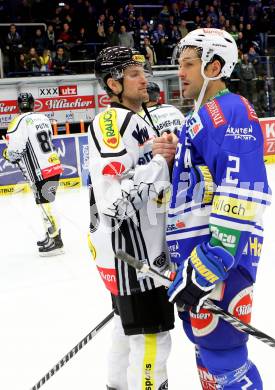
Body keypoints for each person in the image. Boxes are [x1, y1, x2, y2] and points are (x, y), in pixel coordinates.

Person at [153, 28, 271, 389]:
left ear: (214, 66)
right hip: (199, 263)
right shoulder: (202, 117)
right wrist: (175, 162)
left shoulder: (229, 111)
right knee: (209, 356)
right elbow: (202, 187)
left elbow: (243, 190)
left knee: (225, 359)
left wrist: (210, 262)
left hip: (219, 264)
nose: (181, 73)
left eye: (189, 64)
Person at [88, 46, 176, 390]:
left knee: (128, 331)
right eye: (134, 73)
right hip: (132, 255)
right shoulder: (113, 120)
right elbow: (114, 202)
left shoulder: (139, 119)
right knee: (152, 338)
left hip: (133, 251)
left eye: (144, 71)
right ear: (113, 83)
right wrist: (160, 163)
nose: (145, 78)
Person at [5, 93, 64, 256]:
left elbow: (16, 151)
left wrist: (7, 155)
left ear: (19, 105)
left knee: (46, 206)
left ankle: (56, 241)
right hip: (53, 165)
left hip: (39, 171)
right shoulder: (43, 118)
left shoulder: (18, 121)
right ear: (33, 104)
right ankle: (51, 235)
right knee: (47, 204)